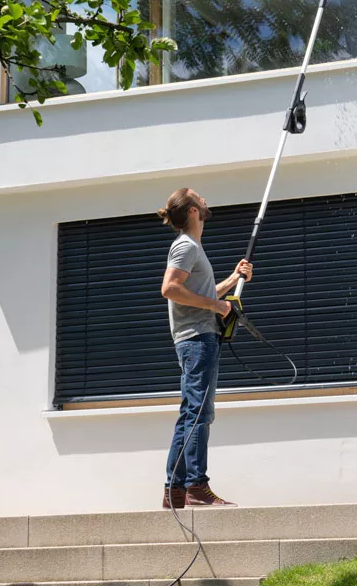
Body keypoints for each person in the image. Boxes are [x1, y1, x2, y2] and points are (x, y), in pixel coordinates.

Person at [158, 187, 253, 508]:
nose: (205, 199)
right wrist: (217, 306)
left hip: (197, 338)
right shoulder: (186, 246)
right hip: (197, 339)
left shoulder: (192, 247)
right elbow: (170, 288)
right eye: (199, 197)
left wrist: (233, 279)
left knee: (191, 412)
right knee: (200, 412)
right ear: (193, 210)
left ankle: (174, 490)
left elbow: (202, 293)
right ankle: (196, 486)